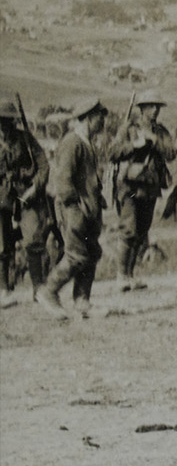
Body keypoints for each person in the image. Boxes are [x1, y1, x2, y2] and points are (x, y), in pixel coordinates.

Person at [38, 96, 110, 320]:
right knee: (76, 255)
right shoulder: (72, 142)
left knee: (91, 254)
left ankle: (82, 302)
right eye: (100, 116)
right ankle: (48, 292)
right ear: (88, 117)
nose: (103, 121)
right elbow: (63, 181)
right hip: (74, 210)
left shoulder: (86, 143)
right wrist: (75, 210)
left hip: (87, 209)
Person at [106, 89, 176, 292]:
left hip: (150, 186)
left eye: (157, 107)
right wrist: (135, 145)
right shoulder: (129, 128)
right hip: (129, 186)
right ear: (142, 108)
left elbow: (171, 153)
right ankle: (121, 276)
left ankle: (130, 274)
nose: (154, 111)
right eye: (150, 106)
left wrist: (155, 141)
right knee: (128, 229)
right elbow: (112, 152)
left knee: (141, 231)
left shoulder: (161, 131)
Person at [1, 97, 50, 297]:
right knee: (2, 245)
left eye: (7, 121)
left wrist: (35, 188)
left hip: (26, 196)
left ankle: (38, 288)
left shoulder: (26, 139)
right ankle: (4, 289)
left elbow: (44, 166)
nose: (4, 126)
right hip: (2, 198)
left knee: (33, 240)